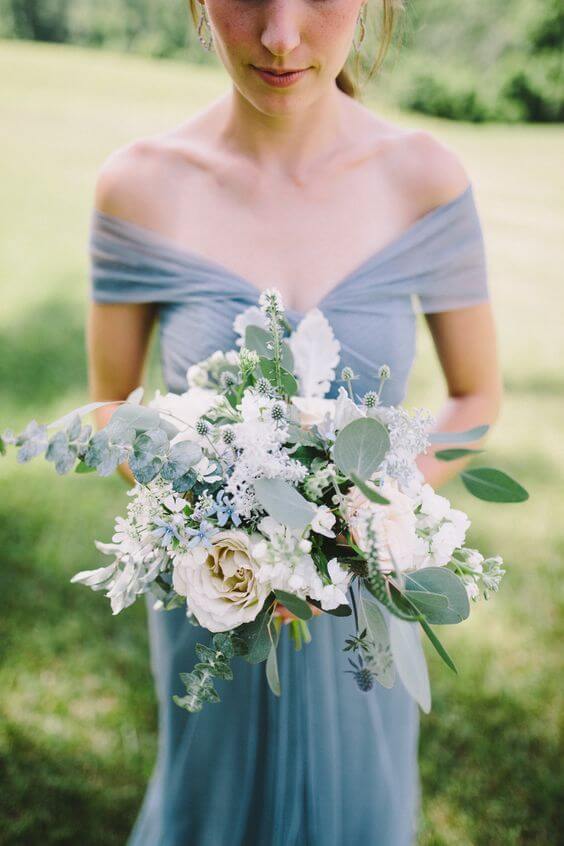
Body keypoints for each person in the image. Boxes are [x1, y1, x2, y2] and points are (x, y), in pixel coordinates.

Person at [86, 1, 503, 843]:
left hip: (368, 597)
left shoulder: (423, 178)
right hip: (219, 594)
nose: (281, 35)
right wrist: (222, 521)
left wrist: (373, 511)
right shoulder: (138, 185)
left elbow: (476, 397)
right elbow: (110, 410)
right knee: (209, 807)